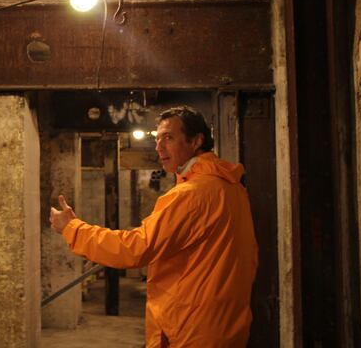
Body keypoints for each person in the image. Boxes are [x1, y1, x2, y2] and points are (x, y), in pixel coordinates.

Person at [50, 106, 258, 348]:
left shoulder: (192, 194)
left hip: (191, 330)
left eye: (169, 138)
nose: (159, 147)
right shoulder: (231, 188)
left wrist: (72, 228)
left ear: (196, 141)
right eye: (156, 138)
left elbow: (135, 248)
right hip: (224, 325)